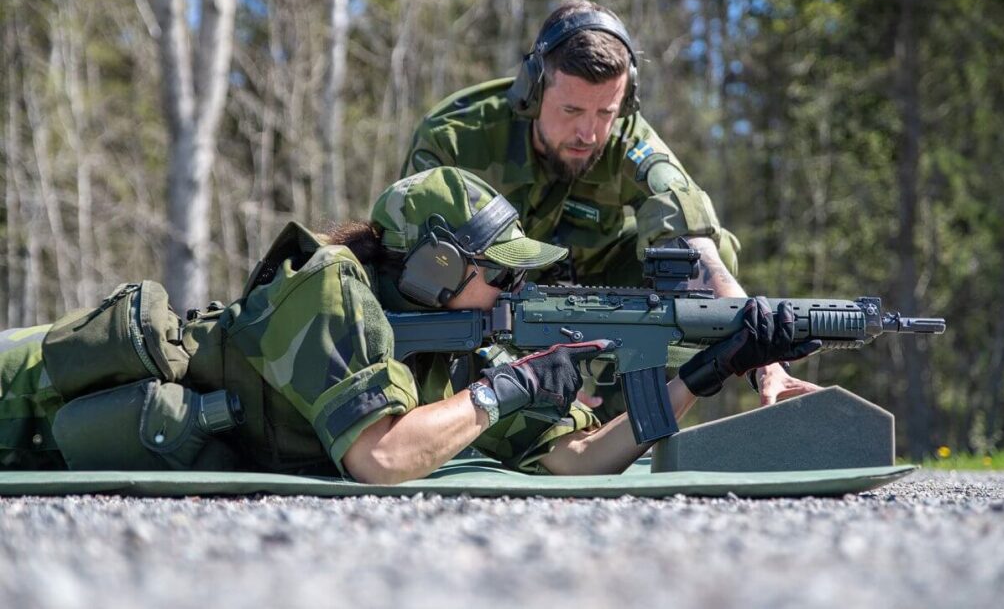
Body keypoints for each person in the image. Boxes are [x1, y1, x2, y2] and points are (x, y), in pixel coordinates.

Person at [0, 167, 819, 483]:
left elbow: (575, 460)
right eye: (495, 269)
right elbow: (383, 456)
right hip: (23, 397)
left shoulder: (467, 350)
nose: (513, 284)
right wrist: (510, 388)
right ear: (431, 266)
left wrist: (703, 376)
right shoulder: (329, 287)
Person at [401, 0, 819, 409]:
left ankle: (613, 413)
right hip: (482, 305)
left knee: (697, 262)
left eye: (606, 112)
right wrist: (525, 370)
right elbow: (416, 270)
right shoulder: (453, 138)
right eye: (571, 109)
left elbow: (687, 224)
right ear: (532, 90)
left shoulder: (628, 138)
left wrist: (760, 345)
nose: (588, 132)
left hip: (594, 296)